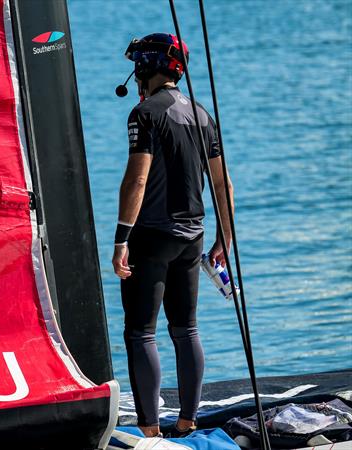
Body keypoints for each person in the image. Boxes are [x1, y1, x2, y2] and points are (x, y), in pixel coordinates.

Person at [112, 33, 235, 438]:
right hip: (195, 236)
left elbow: (138, 177)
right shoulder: (202, 115)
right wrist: (225, 238)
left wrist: (120, 239)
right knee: (186, 328)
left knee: (140, 332)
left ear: (145, 69)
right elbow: (223, 185)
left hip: (152, 236)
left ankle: (150, 432)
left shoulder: (144, 112)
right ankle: (187, 422)